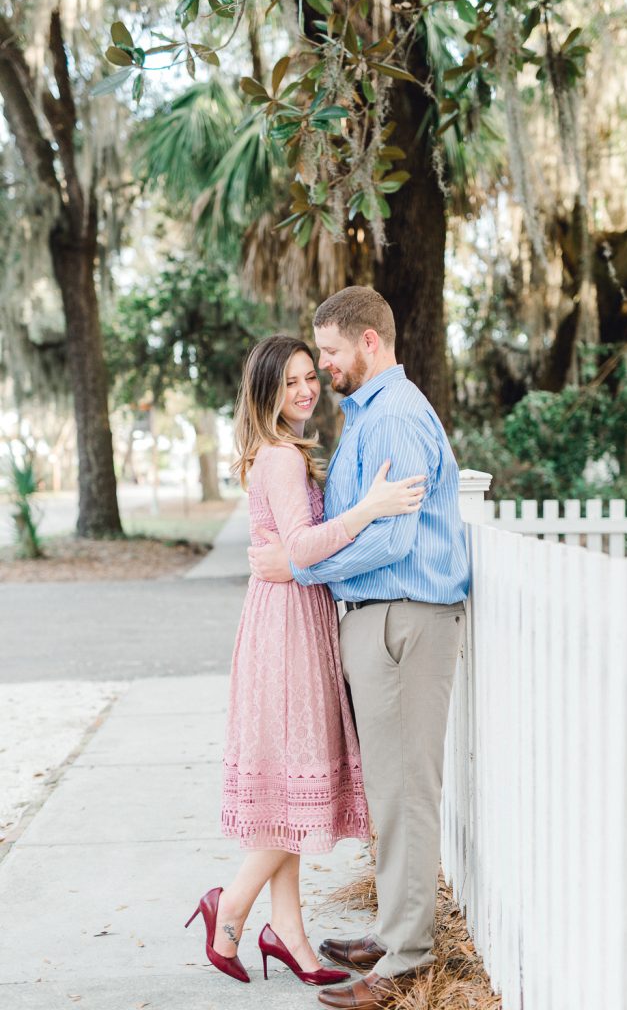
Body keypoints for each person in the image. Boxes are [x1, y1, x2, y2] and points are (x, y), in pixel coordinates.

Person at [249, 287, 470, 1010]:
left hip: (403, 618)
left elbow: (393, 535)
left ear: (368, 344)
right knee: (390, 788)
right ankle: (394, 929)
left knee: (406, 790)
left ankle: (406, 960)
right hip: (379, 618)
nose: (325, 371)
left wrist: (303, 565)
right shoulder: (368, 416)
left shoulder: (398, 417)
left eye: (332, 354)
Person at [184, 333, 426, 988]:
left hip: (286, 619)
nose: (305, 390)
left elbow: (287, 551)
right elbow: (303, 546)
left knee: (288, 789)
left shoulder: (280, 451)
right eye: (289, 382)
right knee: (293, 790)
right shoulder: (282, 459)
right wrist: (372, 509)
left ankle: (286, 933)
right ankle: (229, 907)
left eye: (307, 377)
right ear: (265, 391)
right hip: (287, 631)